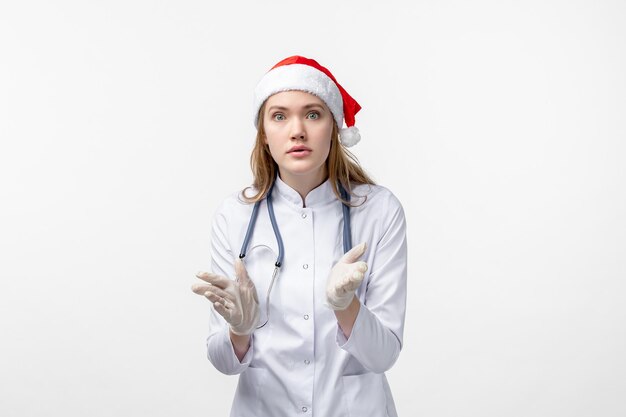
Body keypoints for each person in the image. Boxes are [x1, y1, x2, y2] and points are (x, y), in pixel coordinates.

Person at [192, 55, 407, 417]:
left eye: (312, 114)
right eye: (279, 116)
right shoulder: (235, 216)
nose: (297, 131)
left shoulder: (379, 210)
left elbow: (384, 355)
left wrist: (347, 306)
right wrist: (239, 331)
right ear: (263, 135)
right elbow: (224, 363)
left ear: (334, 127)